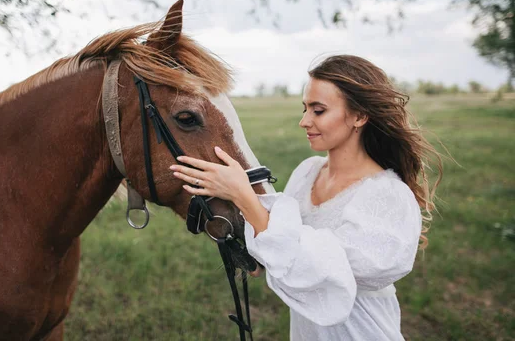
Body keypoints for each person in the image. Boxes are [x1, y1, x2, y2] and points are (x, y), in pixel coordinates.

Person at [169, 54, 442, 340]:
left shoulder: (386, 195)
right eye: (305, 108)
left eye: (318, 110)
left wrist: (242, 195)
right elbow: (285, 245)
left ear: (359, 116)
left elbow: (319, 270)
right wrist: (260, 253)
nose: (304, 121)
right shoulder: (307, 173)